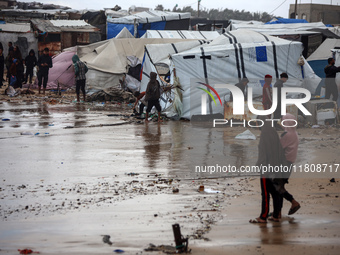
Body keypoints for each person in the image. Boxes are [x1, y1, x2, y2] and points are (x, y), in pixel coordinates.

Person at [249, 117, 286, 223]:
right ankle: (275, 215)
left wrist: (260, 166)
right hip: (276, 169)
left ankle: (263, 216)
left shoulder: (264, 134)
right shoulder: (274, 132)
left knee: (265, 193)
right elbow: (280, 151)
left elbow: (263, 153)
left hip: (267, 169)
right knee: (275, 193)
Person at [277, 113, 301, 216]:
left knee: (278, 188)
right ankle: (278, 212)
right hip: (290, 163)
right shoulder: (295, 133)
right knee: (279, 187)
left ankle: (293, 202)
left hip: (284, 163)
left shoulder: (286, 134)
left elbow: (278, 148)